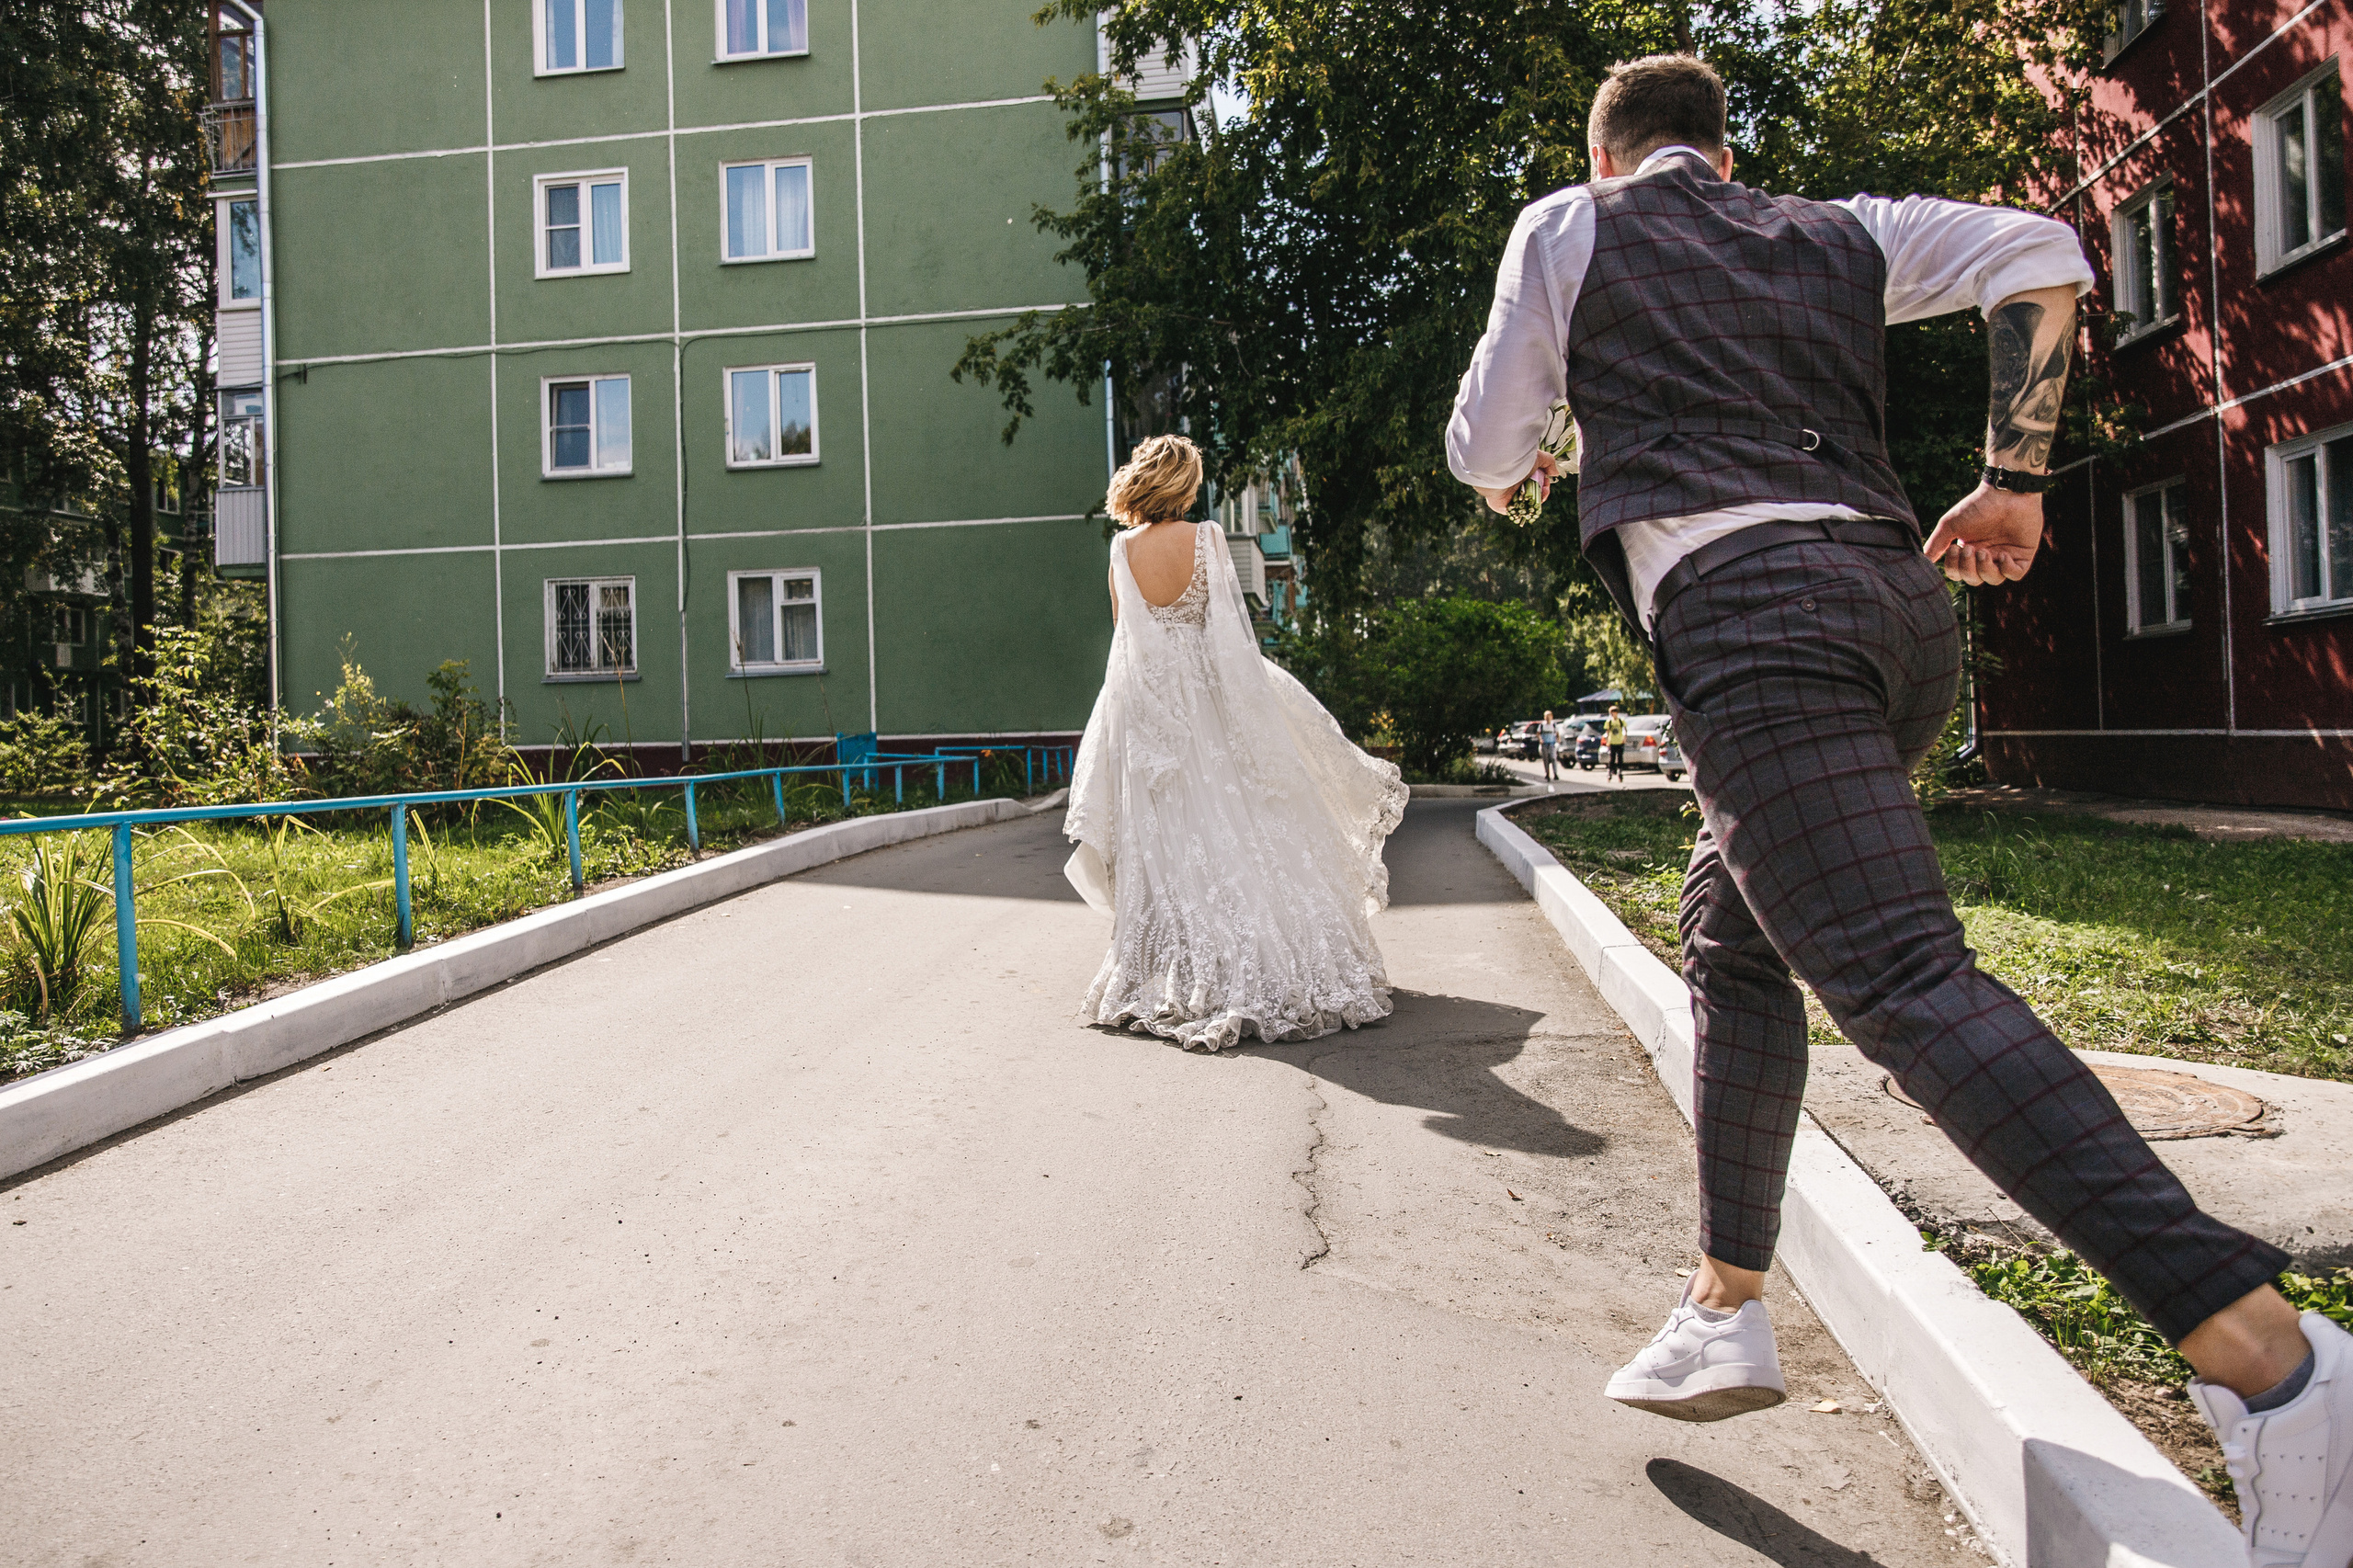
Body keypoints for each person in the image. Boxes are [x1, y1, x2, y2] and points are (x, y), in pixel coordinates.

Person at [1446, 53, 2341, 1558]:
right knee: (1733, 939)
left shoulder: (1567, 230)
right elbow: (2045, 255)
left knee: (1905, 980)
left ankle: (2277, 1363)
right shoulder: (1839, 229)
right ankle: (1726, 1306)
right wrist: (2014, 479)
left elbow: (1485, 444)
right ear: (1726, 160)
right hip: (1898, 615)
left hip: (1755, 625)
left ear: (1608, 160)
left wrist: (1532, 459)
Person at [1063, 435, 1408, 1051]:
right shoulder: (1208, 539)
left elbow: (1127, 641)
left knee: (1171, 847)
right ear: (1186, 485)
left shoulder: (1120, 549)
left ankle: (1174, 975)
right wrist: (1251, 714)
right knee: (1246, 833)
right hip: (1211, 701)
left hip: (1151, 713)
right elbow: (1228, 633)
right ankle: (1269, 965)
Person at [1602, 706, 1626, 781]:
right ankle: (1610, 772)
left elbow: (1625, 730)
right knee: (1612, 758)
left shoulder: (1621, 721)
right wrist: (1607, 741)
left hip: (1619, 741)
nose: (1613, 714)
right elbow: (1607, 732)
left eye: (1614, 712)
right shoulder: (1609, 722)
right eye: (1612, 713)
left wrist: (1624, 738)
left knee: (1620, 758)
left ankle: (1620, 771)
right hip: (1612, 741)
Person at [1538, 710, 1561, 781]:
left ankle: (1555, 773)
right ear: (1544, 717)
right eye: (1546, 717)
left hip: (1552, 743)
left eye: (1549, 716)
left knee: (1553, 758)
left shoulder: (1553, 725)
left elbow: (1557, 733)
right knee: (1546, 759)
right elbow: (1538, 733)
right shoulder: (1542, 725)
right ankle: (1547, 774)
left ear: (1552, 717)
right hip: (1544, 744)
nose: (1548, 718)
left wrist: (1558, 739)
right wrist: (1540, 739)